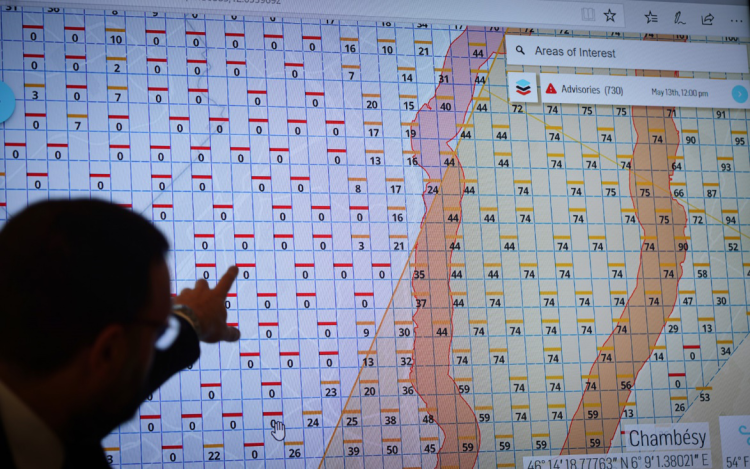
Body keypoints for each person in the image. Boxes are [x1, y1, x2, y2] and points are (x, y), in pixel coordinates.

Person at [0, 199, 241, 469]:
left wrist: (191, 320)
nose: (158, 347)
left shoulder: (51, 405)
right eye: (161, 332)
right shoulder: (74, 438)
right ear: (109, 352)